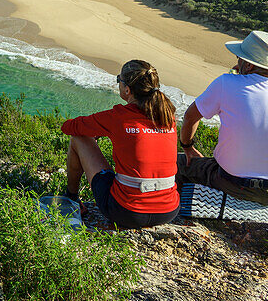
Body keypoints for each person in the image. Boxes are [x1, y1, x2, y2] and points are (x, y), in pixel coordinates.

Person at [176, 30, 268, 206]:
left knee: (179, 163)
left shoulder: (225, 83)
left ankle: (178, 208)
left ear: (249, 65)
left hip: (229, 183)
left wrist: (188, 147)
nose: (237, 61)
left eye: (240, 58)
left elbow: (190, 117)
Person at [62, 59, 180, 229]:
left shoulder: (118, 117)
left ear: (127, 89)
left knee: (78, 138)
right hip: (169, 211)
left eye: (119, 80)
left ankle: (71, 199)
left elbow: (69, 127)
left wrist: (98, 131)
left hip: (126, 212)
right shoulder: (168, 116)